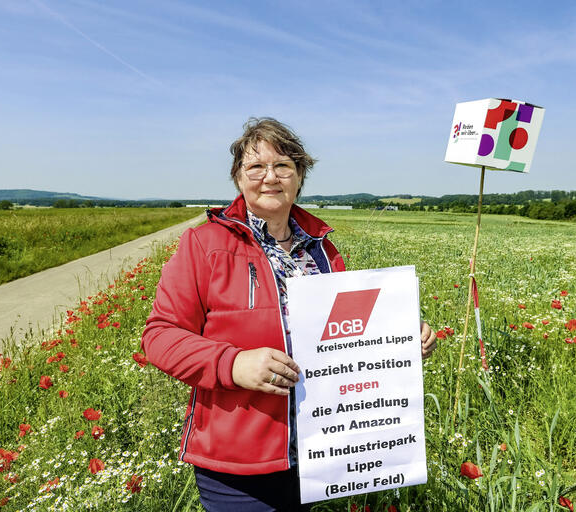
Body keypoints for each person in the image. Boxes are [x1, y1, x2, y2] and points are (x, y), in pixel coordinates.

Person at [141, 118, 437, 511]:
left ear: (299, 176)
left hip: (318, 455)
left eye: (283, 165)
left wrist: (398, 340)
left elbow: (348, 335)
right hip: (239, 461)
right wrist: (232, 363)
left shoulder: (322, 250)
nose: (270, 177)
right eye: (255, 167)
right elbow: (160, 336)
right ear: (238, 178)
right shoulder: (204, 244)